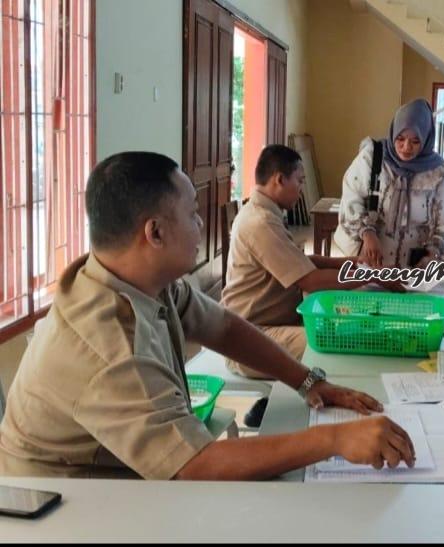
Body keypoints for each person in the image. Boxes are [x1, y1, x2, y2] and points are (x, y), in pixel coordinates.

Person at [0, 152, 415, 479]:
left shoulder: (140, 279)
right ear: (156, 232)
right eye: (193, 212)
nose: (201, 224)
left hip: (115, 471)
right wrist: (335, 438)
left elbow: (225, 327)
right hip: (62, 500)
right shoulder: (108, 342)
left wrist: (309, 381)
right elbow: (193, 466)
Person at [222, 145, 402, 379]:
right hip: (250, 340)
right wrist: (371, 274)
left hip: (267, 326)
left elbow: (300, 262)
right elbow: (311, 281)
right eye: (299, 180)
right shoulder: (260, 222)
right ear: (279, 180)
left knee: (349, 321)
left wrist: (352, 263)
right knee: (338, 340)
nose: (301, 189)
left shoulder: (264, 213)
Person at [334, 98, 444, 268]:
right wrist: (367, 232)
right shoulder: (373, 157)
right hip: (370, 260)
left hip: (414, 267)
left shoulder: (439, 173)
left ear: (426, 138)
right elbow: (351, 197)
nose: (406, 147)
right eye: (400, 138)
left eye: (415, 141)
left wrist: (433, 252)